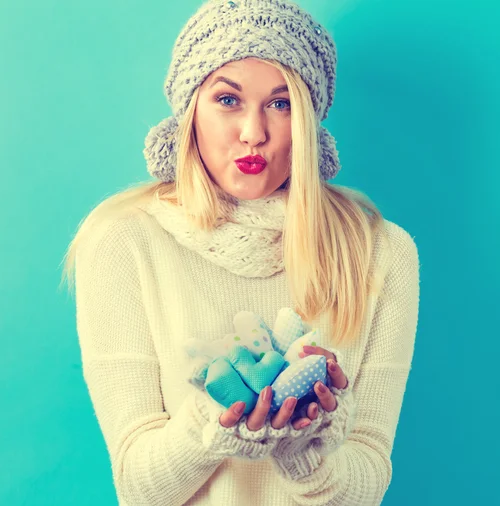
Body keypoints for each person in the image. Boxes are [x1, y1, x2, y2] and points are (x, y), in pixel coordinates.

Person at [60, 0, 420, 504]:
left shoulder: (381, 251)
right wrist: (217, 418)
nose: (254, 132)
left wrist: (302, 450)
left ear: (309, 120)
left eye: (281, 103)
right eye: (228, 100)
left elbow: (368, 479)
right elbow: (139, 488)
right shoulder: (124, 241)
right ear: (190, 112)